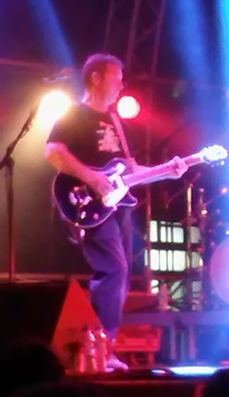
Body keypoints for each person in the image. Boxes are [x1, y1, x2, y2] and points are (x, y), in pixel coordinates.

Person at [45, 53, 188, 371]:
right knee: (114, 270)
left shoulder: (115, 121)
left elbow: (130, 172)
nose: (122, 85)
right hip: (87, 203)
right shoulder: (76, 114)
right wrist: (92, 178)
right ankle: (102, 348)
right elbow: (53, 152)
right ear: (96, 78)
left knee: (118, 273)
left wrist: (168, 171)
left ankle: (99, 347)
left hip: (115, 207)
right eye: (116, 78)